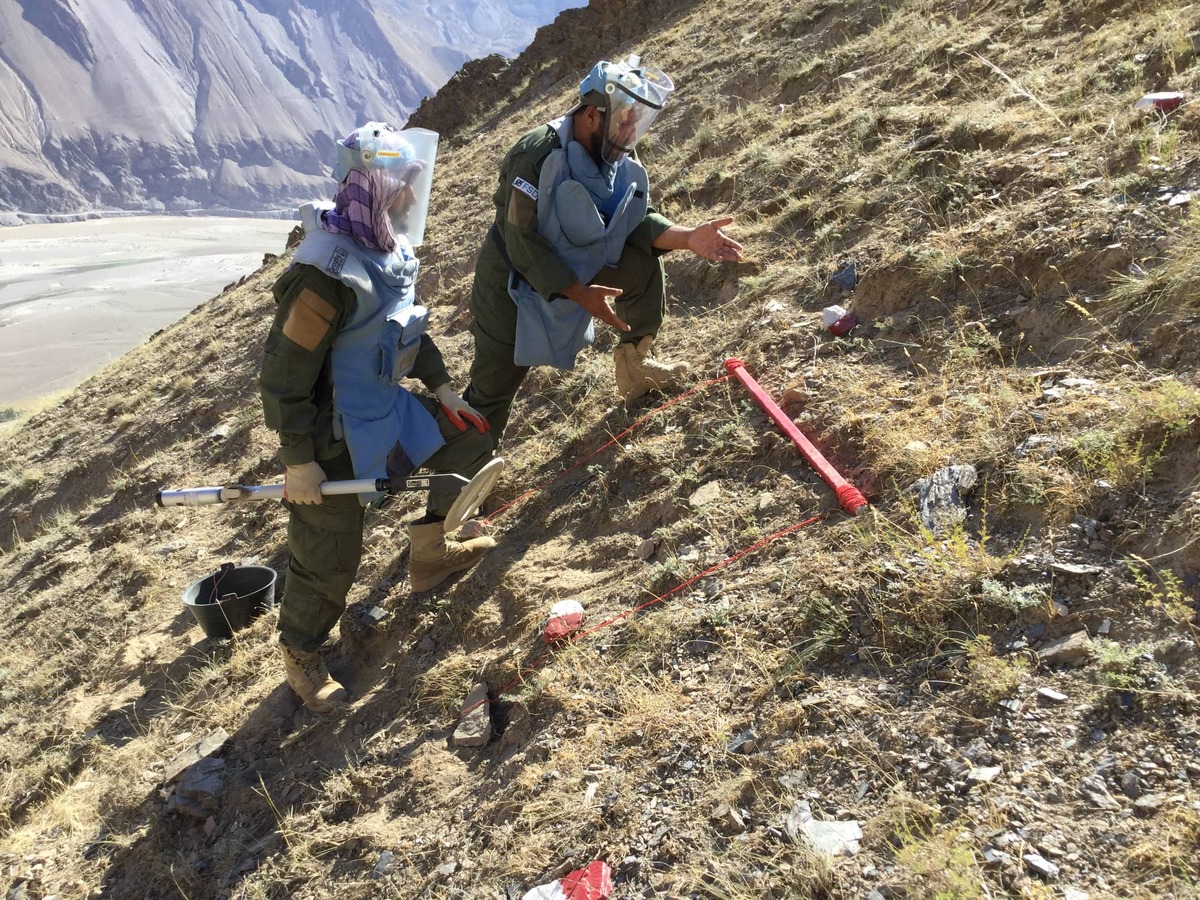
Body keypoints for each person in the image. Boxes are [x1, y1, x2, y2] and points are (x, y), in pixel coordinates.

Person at [260, 122, 496, 713]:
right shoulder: (326, 273)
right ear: (373, 186)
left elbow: (407, 329)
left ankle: (429, 553)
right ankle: (302, 653)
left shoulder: (389, 249)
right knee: (329, 558)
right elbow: (284, 378)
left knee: (467, 443)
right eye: (403, 186)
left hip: (386, 410)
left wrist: (443, 390)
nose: (413, 198)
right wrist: (299, 461)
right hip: (330, 435)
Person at [462, 53, 745, 444]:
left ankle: (635, 367)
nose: (631, 131)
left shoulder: (614, 153)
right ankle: (451, 495)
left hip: (576, 272)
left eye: (637, 121)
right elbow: (520, 240)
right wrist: (580, 294)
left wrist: (688, 237)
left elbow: (631, 220)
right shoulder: (537, 154)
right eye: (625, 118)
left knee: (643, 261)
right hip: (511, 288)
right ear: (592, 114)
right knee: (491, 395)